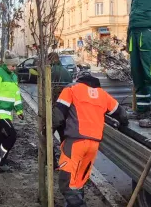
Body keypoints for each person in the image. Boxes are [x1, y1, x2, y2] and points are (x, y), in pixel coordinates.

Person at [51, 71, 129, 206]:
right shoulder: (103, 95)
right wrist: (124, 124)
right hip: (93, 146)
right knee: (78, 180)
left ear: (79, 80)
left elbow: (58, 115)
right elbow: (122, 115)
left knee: (67, 181)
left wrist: (47, 130)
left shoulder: (71, 89)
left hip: (75, 143)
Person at [0, 50, 24, 174]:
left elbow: (16, 94)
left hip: (7, 113)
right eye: (12, 65)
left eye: (15, 66)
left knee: (2, 137)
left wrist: (19, 110)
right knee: (11, 135)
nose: (14, 68)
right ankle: (1, 162)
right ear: (6, 64)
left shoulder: (13, 77)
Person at [47, 52, 73, 169]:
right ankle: (66, 162)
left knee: (47, 136)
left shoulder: (49, 72)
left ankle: (51, 162)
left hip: (53, 109)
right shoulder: (67, 72)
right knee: (64, 137)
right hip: (66, 110)